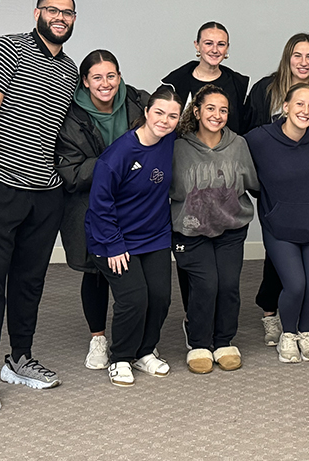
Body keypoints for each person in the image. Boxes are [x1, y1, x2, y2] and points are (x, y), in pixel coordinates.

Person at [0, 0, 78, 413]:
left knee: (29, 281)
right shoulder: (7, 48)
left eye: (68, 12)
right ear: (37, 13)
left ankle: (19, 359)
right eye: (52, 10)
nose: (60, 17)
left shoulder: (70, 69)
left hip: (44, 192)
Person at [55, 50, 148, 371]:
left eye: (111, 76)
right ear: (85, 81)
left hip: (135, 204)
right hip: (90, 204)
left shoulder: (139, 102)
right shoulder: (70, 115)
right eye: (97, 77)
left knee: (137, 275)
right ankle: (98, 337)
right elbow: (72, 172)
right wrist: (116, 163)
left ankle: (140, 343)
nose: (105, 83)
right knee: (95, 272)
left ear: (119, 76)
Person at [245, 33, 309, 347]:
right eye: (297, 55)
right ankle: (276, 319)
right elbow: (242, 151)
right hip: (279, 204)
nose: (303, 61)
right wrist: (265, 193)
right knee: (288, 275)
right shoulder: (266, 91)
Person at [85, 87, 182, 387]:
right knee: (134, 298)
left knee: (161, 296)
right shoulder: (120, 153)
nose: (165, 121)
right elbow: (100, 204)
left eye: (173, 116)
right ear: (147, 112)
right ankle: (121, 357)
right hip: (113, 239)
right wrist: (113, 245)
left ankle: (144, 351)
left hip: (154, 236)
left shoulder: (170, 141)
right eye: (159, 113)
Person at [170, 84, 258, 374]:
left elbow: (253, 183)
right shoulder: (178, 147)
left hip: (230, 228)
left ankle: (223, 341)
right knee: (206, 285)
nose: (217, 115)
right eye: (210, 108)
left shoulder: (238, 145)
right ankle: (198, 342)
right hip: (190, 230)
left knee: (229, 285)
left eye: (223, 110)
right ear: (196, 112)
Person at [162, 21, 250, 135]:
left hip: (228, 146)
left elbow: (242, 128)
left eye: (221, 44)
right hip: (183, 146)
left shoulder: (237, 84)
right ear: (197, 45)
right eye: (208, 43)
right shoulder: (175, 84)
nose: (215, 50)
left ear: (227, 48)